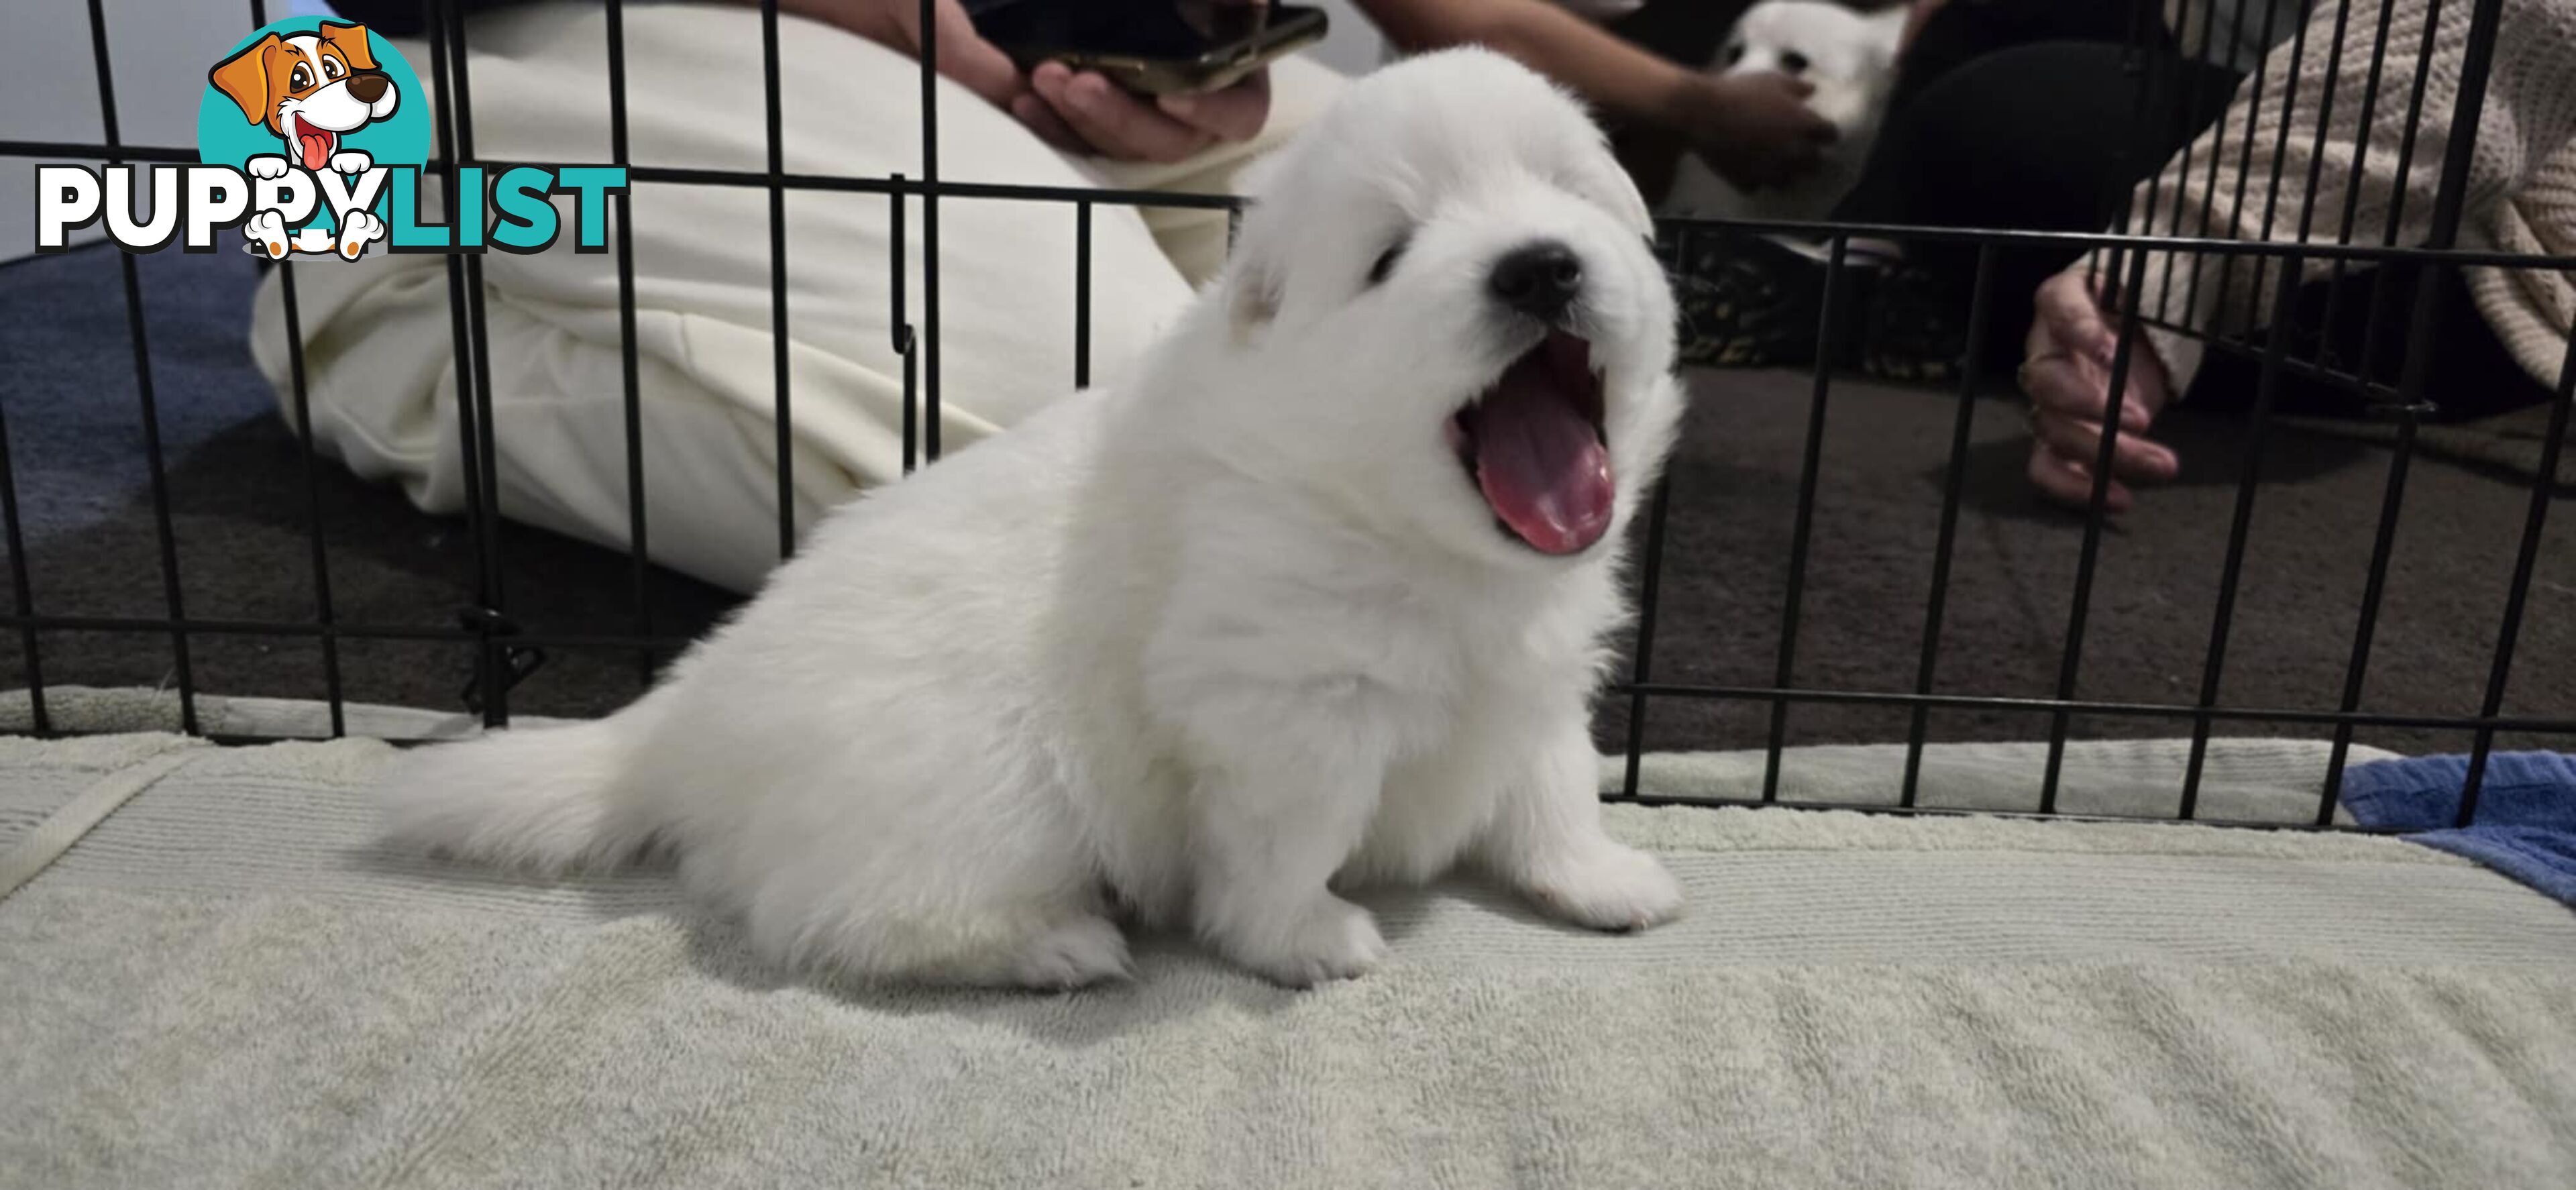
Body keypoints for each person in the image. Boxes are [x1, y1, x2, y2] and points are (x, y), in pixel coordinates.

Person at [271, 0, 1833, 591]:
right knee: (1089, 495)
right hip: (442, 56)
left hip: (992, 75)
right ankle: (352, 284)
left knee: (1368, 275)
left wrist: (1214, 88)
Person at [1666, 0, 2573, 513]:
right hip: (2324, 100)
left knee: (1997, 127)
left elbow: (2478, 45)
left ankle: (1924, 295)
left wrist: (2170, 269)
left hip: (2495, 254)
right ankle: (1880, 267)